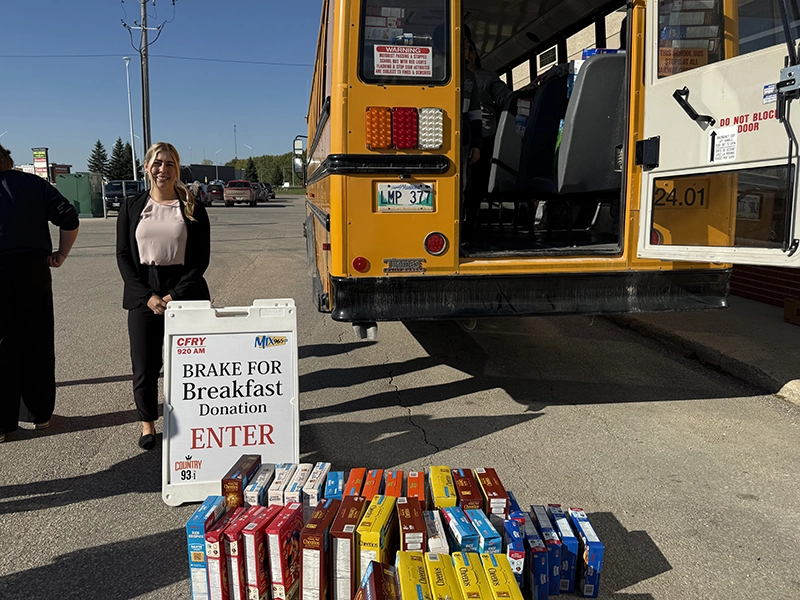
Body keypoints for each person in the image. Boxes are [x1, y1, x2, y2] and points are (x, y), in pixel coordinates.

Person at [116, 142, 211, 450]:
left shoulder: (192, 206)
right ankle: (148, 425)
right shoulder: (132, 207)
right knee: (144, 366)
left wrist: (173, 295)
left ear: (177, 169)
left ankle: (191, 421)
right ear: (146, 168)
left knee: (190, 365)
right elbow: (122, 256)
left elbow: (201, 259)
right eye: (157, 163)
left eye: (169, 164)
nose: (163, 169)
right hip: (143, 293)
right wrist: (146, 296)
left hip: (184, 291)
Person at [0, 144, 79, 443]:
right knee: (37, 338)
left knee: (1, 344)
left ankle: (2, 422)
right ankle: (40, 414)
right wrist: (61, 254)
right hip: (32, 269)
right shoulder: (33, 183)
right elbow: (69, 219)